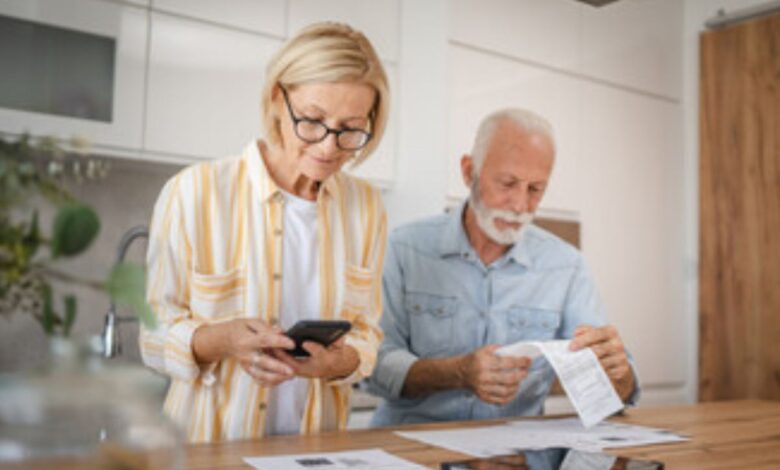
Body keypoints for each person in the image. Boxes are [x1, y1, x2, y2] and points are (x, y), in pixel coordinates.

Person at [140, 22, 389, 442]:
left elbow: (368, 334)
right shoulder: (194, 192)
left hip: (317, 452)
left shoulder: (365, 208)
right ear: (278, 99)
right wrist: (219, 340)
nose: (329, 147)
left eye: (350, 129)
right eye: (312, 121)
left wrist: (339, 363)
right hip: (209, 455)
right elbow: (151, 339)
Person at [368, 108, 638, 426]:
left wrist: (619, 377)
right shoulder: (404, 248)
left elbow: (612, 392)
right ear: (469, 172)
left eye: (535, 189)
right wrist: (457, 373)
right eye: (508, 184)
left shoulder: (567, 266)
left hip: (515, 452)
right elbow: (370, 365)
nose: (521, 205)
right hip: (412, 447)